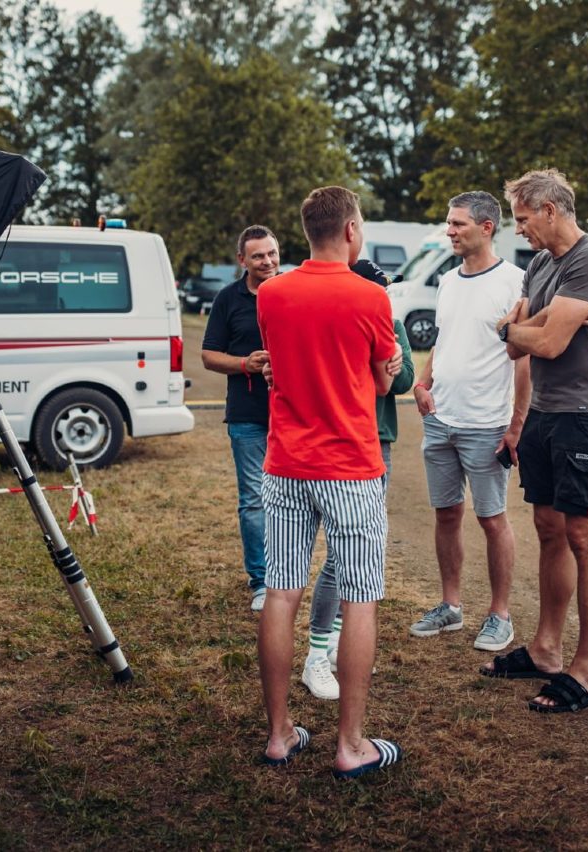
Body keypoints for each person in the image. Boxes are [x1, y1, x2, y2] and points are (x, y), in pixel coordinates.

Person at [256, 186, 402, 778]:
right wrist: (383, 369)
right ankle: (351, 744)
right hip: (349, 467)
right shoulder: (371, 296)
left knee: (280, 592)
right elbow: (382, 383)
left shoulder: (271, 292)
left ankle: (279, 735)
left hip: (286, 463)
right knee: (359, 597)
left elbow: (281, 365)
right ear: (350, 230)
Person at [483, 168, 588, 715]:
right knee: (548, 528)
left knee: (583, 537)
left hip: (587, 416)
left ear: (549, 210)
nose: (518, 229)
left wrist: (522, 327)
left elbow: (549, 343)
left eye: (522, 218)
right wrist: (525, 326)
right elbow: (518, 346)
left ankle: (584, 673)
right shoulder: (541, 264)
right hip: (544, 412)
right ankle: (545, 649)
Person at [408, 191, 530, 654]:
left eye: (458, 223)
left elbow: (523, 359)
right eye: (449, 222)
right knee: (446, 514)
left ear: (486, 227)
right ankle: (451, 606)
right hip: (440, 419)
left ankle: (500, 615)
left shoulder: (516, 282)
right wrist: (423, 382)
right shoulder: (447, 281)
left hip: (487, 424)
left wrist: (516, 425)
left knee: (492, 519)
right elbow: (444, 341)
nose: (450, 231)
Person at [301, 257, 414, 701]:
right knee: (338, 555)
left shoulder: (393, 324)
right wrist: (380, 362)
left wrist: (392, 354)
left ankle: (335, 641)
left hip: (377, 442)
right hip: (343, 444)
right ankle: (318, 650)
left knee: (360, 552)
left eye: (385, 290)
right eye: (378, 289)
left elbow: (401, 381)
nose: (383, 296)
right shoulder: (338, 320)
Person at [201, 225, 281, 612]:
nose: (267, 261)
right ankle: (261, 581)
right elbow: (208, 355)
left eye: (271, 253)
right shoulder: (228, 299)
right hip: (247, 415)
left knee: (290, 498)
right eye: (258, 256)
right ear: (242, 260)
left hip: (292, 413)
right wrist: (244, 363)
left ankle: (286, 573)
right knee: (253, 499)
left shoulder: (292, 290)